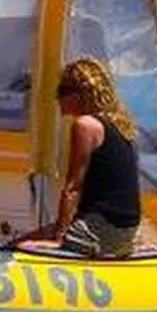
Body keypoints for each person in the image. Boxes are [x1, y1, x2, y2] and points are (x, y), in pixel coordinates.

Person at [21, 57, 142, 258]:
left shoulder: (86, 125)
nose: (56, 98)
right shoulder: (122, 126)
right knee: (34, 235)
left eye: (62, 92)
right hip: (125, 231)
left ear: (81, 94)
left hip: (98, 230)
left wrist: (59, 239)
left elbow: (72, 188)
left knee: (22, 246)